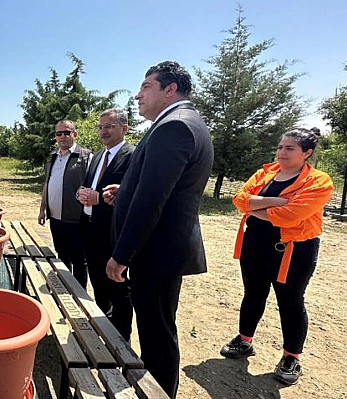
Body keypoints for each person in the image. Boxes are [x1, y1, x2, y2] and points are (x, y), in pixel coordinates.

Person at [104, 61, 213, 398]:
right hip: (158, 251)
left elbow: (153, 200)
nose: (137, 95)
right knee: (155, 330)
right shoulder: (178, 123)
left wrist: (121, 256)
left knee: (157, 335)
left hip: (156, 253)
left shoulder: (175, 127)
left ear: (169, 89)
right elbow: (163, 185)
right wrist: (127, 190)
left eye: (146, 86)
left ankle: (160, 393)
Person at [220, 129, 332, 385]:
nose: (282, 152)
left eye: (290, 148)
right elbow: (239, 200)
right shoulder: (266, 173)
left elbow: (291, 216)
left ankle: (291, 357)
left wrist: (258, 205)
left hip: (293, 251)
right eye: (280, 147)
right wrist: (280, 201)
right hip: (255, 244)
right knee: (253, 293)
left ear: (307, 153)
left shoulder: (319, 181)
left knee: (291, 301)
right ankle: (244, 340)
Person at [76, 109, 135, 337]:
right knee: (98, 282)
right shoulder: (99, 155)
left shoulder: (133, 156)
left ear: (124, 128)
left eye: (109, 126)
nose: (103, 131)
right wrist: (80, 193)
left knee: (117, 287)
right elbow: (88, 183)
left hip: (113, 233)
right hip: (91, 229)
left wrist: (98, 198)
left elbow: (132, 194)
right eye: (100, 127)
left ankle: (121, 337)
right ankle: (103, 325)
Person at [38, 120, 91, 287]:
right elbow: (47, 183)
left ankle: (80, 293)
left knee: (79, 259)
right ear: (55, 137)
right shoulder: (52, 157)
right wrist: (42, 209)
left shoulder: (85, 156)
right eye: (59, 133)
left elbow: (92, 185)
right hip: (55, 218)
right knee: (62, 254)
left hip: (76, 218)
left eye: (66, 133)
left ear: (74, 134)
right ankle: (65, 287)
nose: (62, 136)